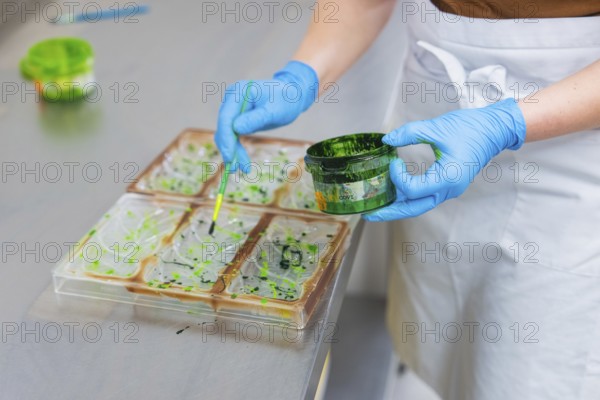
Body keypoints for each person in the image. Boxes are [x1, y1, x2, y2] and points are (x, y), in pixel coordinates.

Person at [215, 1, 600, 399]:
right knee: (442, 337)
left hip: (568, 132)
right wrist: (303, 72)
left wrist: (507, 123)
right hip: (432, 109)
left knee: (525, 370)